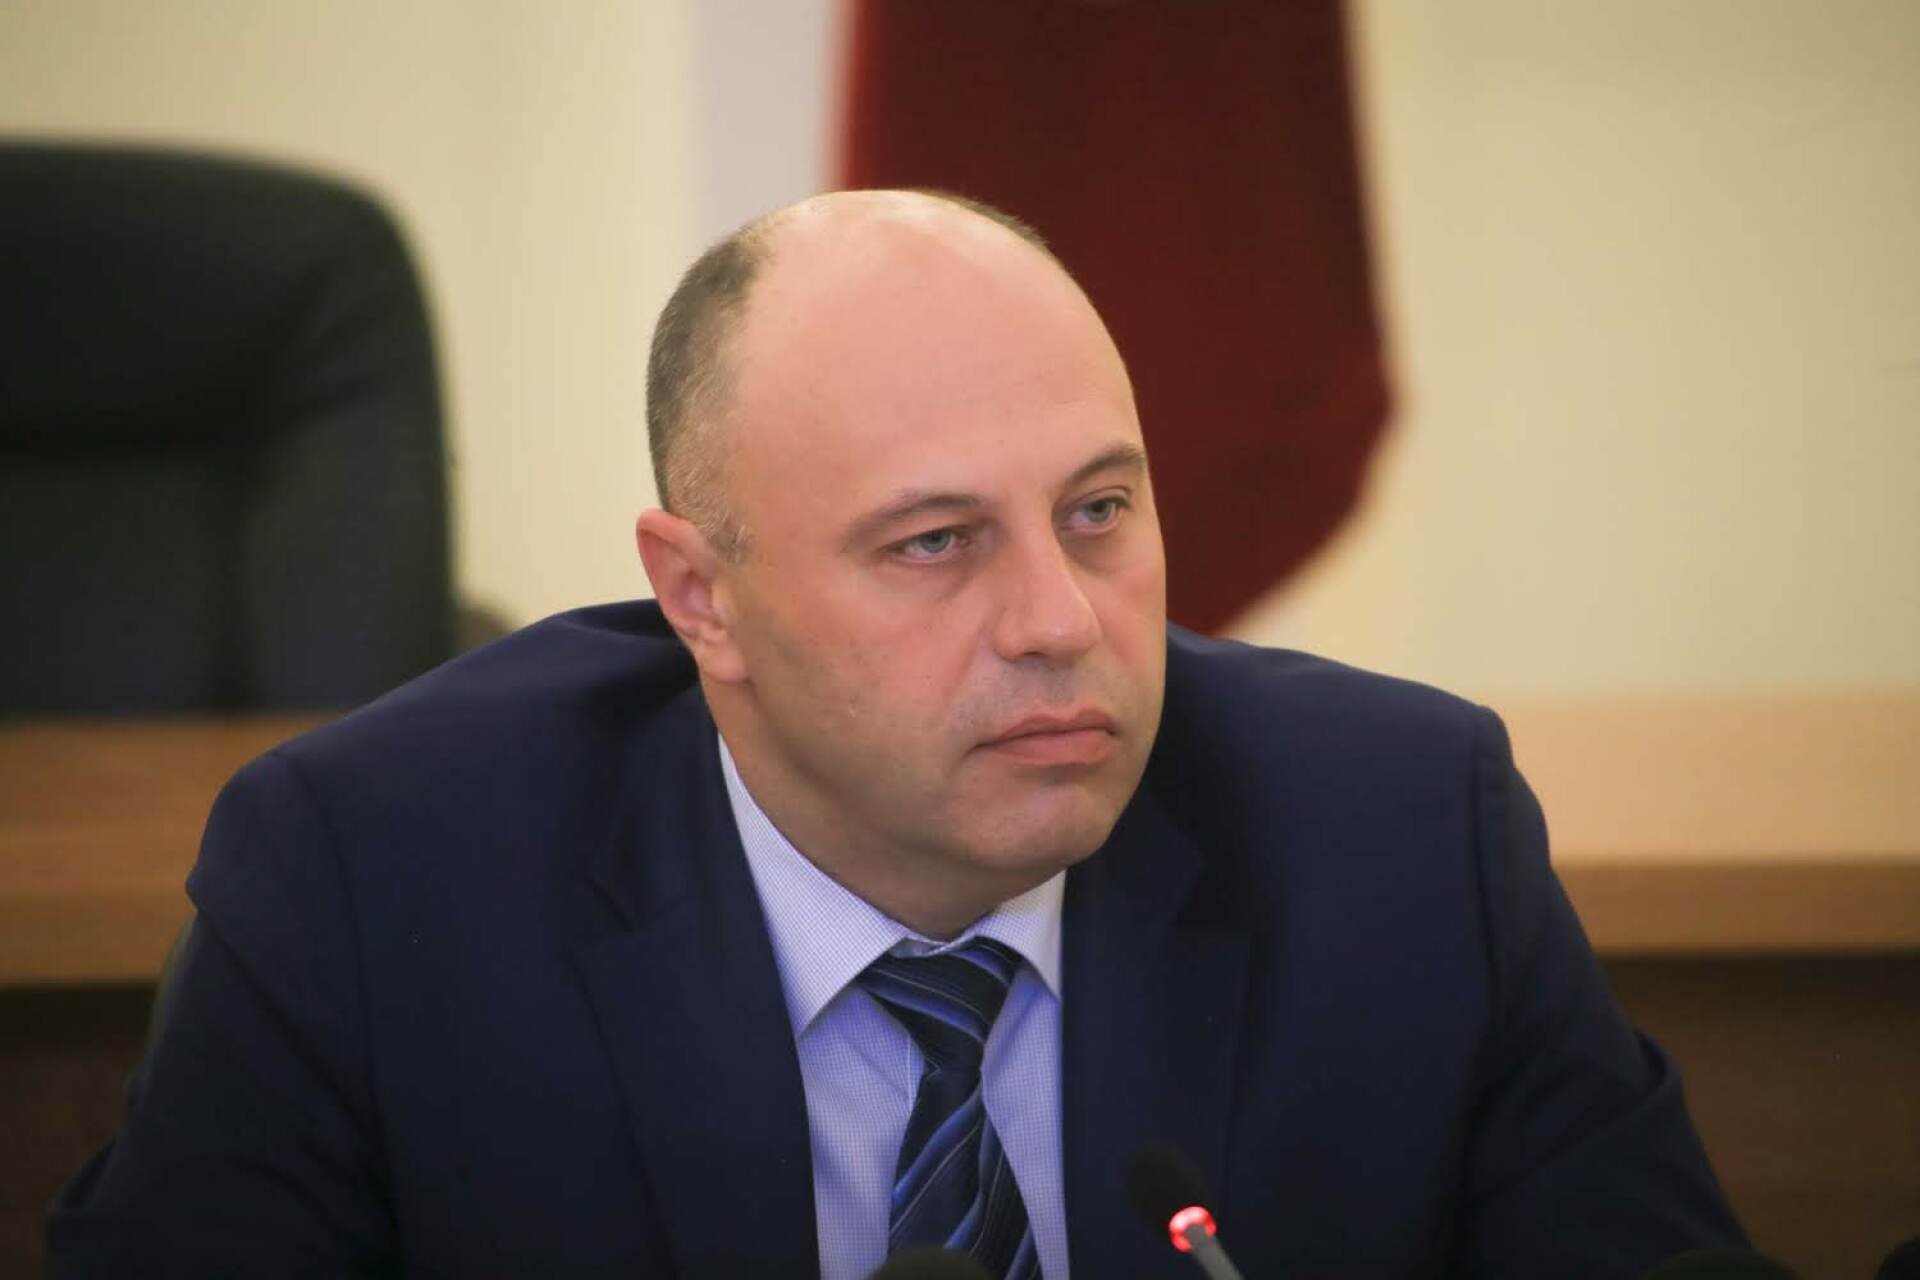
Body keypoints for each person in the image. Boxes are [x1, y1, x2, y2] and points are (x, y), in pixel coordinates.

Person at [48, 191, 1745, 1278]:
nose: (1057, 619)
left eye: (1098, 511)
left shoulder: (1402, 833)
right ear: (702, 596)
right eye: (935, 542)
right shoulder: (369, 882)